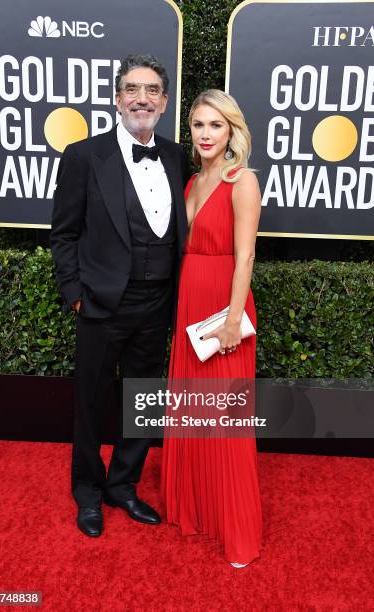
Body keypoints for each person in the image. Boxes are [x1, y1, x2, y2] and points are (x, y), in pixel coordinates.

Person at [50, 54, 190, 538]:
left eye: (152, 90)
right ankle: (87, 491)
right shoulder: (84, 155)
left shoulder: (175, 155)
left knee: (143, 399)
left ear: (165, 101)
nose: (142, 99)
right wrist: (74, 293)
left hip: (158, 304)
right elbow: (64, 233)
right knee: (89, 402)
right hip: (102, 302)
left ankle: (123, 486)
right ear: (117, 97)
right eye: (133, 89)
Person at [161, 90, 262, 567]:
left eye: (215, 125)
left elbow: (245, 256)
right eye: (199, 125)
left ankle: (237, 532)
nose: (205, 134)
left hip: (225, 304)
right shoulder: (192, 182)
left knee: (226, 420)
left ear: (232, 131)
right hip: (189, 302)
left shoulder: (242, 181)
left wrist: (230, 320)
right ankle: (198, 511)